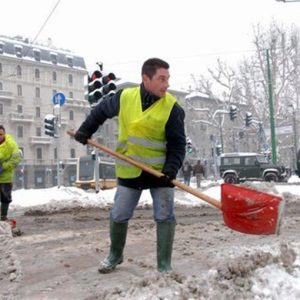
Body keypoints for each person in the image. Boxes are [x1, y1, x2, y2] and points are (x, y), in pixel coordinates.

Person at [74, 58, 186, 273]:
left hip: (160, 172)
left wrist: (170, 171)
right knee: (119, 214)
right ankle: (115, 255)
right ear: (146, 78)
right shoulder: (125, 97)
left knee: (165, 216)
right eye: (162, 79)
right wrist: (85, 130)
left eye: (168, 79)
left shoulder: (172, 108)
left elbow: (177, 145)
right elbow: (100, 111)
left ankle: (164, 265)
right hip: (129, 168)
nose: (167, 84)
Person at [0, 125, 22, 221]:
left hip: (5, 178)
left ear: (4, 133)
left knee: (5, 198)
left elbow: (16, 159)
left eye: (0, 134)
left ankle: (3, 217)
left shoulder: (11, 144)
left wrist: (3, 167)